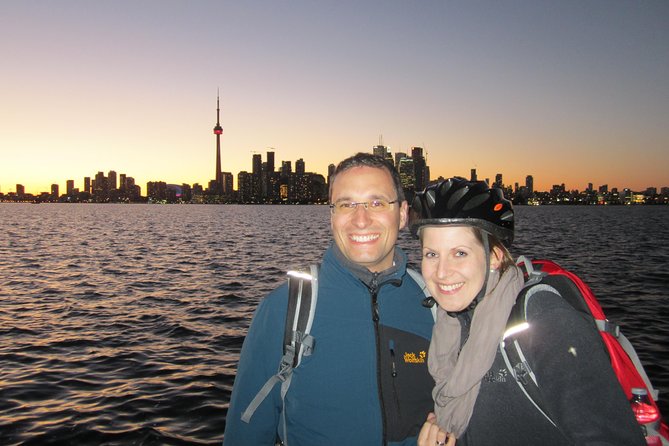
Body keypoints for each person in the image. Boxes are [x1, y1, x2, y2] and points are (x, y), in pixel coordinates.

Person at [411, 177, 646, 446]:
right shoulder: (450, 325)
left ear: (495, 257)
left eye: (460, 253)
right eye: (431, 254)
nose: (441, 273)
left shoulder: (543, 319)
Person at [223, 153, 435, 445]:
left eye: (377, 203)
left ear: (401, 214)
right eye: (346, 204)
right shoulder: (286, 308)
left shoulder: (436, 304)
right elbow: (245, 432)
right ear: (332, 216)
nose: (361, 220)